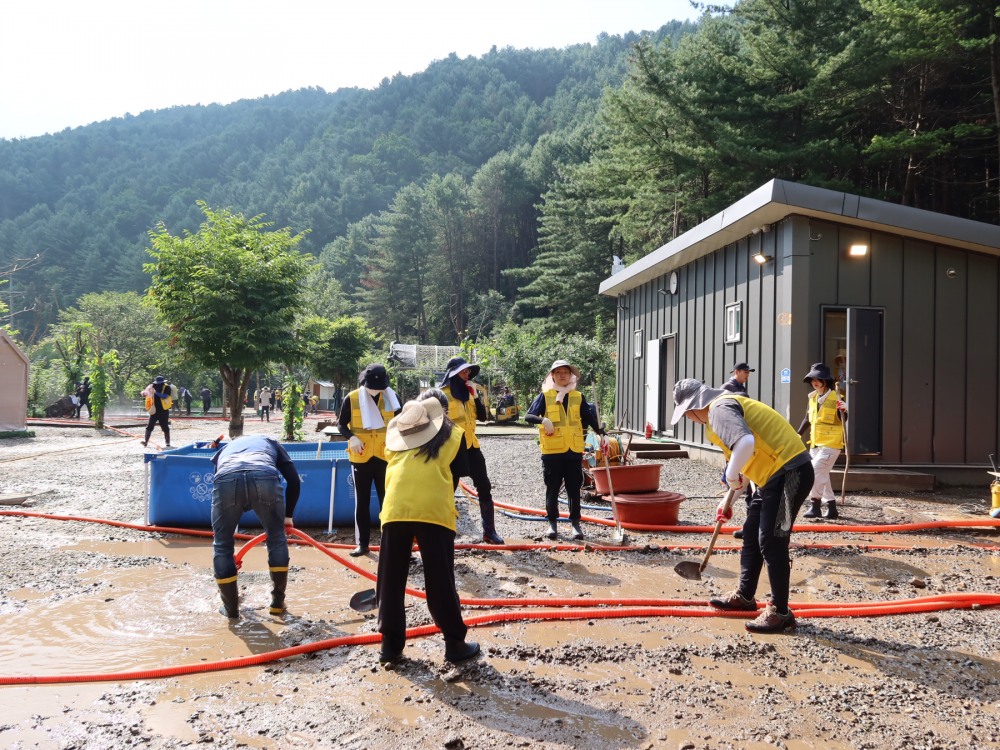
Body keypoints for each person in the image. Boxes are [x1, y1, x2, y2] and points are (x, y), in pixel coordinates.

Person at [671, 378, 814, 633]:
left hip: (790, 472)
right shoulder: (720, 413)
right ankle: (746, 597)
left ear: (693, 406)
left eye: (686, 414)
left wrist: (729, 476)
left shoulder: (719, 408)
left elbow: (745, 443)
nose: (689, 419)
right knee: (751, 533)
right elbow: (744, 464)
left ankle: (781, 612)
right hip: (770, 476)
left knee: (772, 540)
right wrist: (728, 501)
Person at [376, 389, 479, 664]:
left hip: (395, 510)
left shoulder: (396, 440)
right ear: (441, 414)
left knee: (390, 580)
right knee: (440, 579)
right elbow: (457, 475)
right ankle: (454, 644)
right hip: (433, 511)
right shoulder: (454, 435)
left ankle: (390, 647)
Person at [210, 435, 300, 619]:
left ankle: (231, 609)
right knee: (276, 539)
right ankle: (277, 604)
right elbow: (294, 480)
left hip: (227, 477)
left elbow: (219, 478)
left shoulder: (225, 449)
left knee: (222, 545)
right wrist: (288, 516)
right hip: (263, 475)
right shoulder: (271, 442)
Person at [524, 360, 603, 541]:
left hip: (573, 450)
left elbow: (590, 418)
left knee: (573, 488)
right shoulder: (545, 396)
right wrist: (542, 420)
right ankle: (552, 524)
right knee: (552, 488)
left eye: (565, 372)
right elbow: (529, 416)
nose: (562, 375)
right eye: (558, 372)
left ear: (571, 375)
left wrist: (602, 433)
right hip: (552, 451)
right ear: (552, 375)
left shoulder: (578, 396)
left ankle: (575, 524)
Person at [338, 364, 402, 556]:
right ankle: (363, 544)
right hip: (361, 456)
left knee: (387, 501)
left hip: (385, 455)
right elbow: (341, 424)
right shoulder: (352, 398)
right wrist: (352, 437)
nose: (377, 389)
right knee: (362, 501)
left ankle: (387, 543)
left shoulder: (392, 396)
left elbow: (401, 423)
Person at [439, 357, 504, 545]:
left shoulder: (469, 393)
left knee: (484, 486)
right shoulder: (441, 395)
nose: (467, 374)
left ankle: (489, 532)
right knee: (447, 490)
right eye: (463, 371)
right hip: (451, 448)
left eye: (468, 371)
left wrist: (475, 396)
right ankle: (446, 532)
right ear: (452, 373)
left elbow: (483, 417)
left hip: (472, 446)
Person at [796, 363, 847, 520]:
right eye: (812, 379)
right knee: (823, 475)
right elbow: (807, 419)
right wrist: (797, 435)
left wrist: (845, 409)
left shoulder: (836, 397)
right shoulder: (812, 398)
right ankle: (832, 509)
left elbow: (843, 419)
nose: (814, 382)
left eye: (818, 379)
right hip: (816, 443)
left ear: (826, 380)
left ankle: (815, 505)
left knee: (814, 473)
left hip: (831, 444)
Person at [141, 375, 174, 448]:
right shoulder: (151, 386)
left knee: (165, 427)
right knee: (149, 427)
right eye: (157, 382)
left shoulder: (167, 387)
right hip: (154, 410)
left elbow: (164, 396)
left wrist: (155, 392)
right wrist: (144, 393)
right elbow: (145, 392)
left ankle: (167, 443)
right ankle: (145, 442)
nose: (158, 384)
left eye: (160, 382)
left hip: (163, 411)